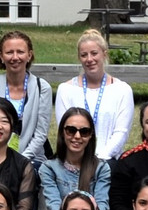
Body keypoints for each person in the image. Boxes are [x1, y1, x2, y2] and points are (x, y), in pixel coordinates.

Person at [54, 30, 136, 160]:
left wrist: (101, 159)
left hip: (109, 161)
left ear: (104, 54)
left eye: (94, 53)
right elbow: (65, 131)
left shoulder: (122, 90)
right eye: (84, 55)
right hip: (74, 160)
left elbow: (121, 132)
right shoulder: (65, 90)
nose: (89, 59)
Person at [0, 31, 54, 168]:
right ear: (1, 56)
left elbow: (41, 134)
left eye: (20, 52)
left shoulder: (42, 88)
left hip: (33, 158)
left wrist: (20, 160)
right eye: (9, 52)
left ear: (29, 55)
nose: (15, 57)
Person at [41, 108, 112, 210]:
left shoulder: (101, 168)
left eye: (84, 132)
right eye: (71, 130)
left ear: (91, 135)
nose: (77, 136)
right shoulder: (49, 168)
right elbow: (55, 208)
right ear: (62, 132)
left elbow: (101, 208)